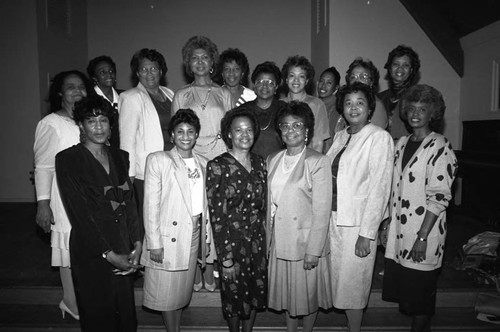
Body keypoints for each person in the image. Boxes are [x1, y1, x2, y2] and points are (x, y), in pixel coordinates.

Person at [56, 95, 141, 331]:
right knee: (98, 315)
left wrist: (137, 242)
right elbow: (79, 213)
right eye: (91, 121)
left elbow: (130, 202)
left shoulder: (120, 156)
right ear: (81, 125)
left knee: (125, 316)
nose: (99, 127)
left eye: (103, 120)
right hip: (91, 249)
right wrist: (109, 254)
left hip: (123, 242)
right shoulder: (68, 159)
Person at [381, 84, 458, 332]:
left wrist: (422, 237)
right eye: (412, 108)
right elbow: (393, 190)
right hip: (400, 234)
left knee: (421, 301)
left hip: (424, 233)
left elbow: (439, 198)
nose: (416, 113)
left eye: (422, 109)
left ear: (432, 113)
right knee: (410, 296)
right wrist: (386, 223)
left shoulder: (440, 146)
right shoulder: (402, 143)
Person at [326, 83, 393, 332]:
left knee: (354, 282)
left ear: (369, 108)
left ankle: (355, 329)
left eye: (360, 102)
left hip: (358, 224)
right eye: (348, 103)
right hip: (333, 218)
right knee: (338, 280)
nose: (354, 107)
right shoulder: (341, 135)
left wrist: (367, 233)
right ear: (342, 109)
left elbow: (380, 188)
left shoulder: (378, 137)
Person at [141, 109, 212, 332]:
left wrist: (206, 238)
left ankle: (176, 326)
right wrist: (154, 243)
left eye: (190, 131)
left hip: (194, 231)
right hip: (168, 236)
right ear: (171, 135)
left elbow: (206, 206)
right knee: (166, 291)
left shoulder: (204, 163)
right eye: (179, 131)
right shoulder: (159, 159)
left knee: (181, 290)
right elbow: (150, 205)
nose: (185, 136)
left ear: (197, 135)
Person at [172, 35, 233, 290]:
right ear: (189, 63)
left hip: (220, 157)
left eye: (204, 57)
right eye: (194, 58)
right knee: (194, 216)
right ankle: (196, 267)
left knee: (218, 216)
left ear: (212, 63)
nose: (199, 62)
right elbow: (176, 132)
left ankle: (212, 268)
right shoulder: (181, 94)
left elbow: (231, 129)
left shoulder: (224, 93)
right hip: (192, 157)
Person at [267, 101, 333, 332]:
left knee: (307, 295)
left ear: (307, 131)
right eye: (285, 125)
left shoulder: (318, 161)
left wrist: (314, 250)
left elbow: (322, 210)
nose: (290, 130)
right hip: (279, 239)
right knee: (288, 295)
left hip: (304, 242)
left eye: (297, 125)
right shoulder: (272, 159)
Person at [34, 70, 92, 320]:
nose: (77, 91)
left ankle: (87, 298)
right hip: (65, 198)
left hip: (91, 196)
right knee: (68, 252)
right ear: (60, 92)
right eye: (70, 87)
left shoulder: (90, 119)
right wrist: (43, 205)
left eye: (81, 86)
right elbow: (44, 167)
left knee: (89, 250)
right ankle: (71, 302)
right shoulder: (50, 124)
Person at [206, 107, 267, 332]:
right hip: (232, 244)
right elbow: (217, 216)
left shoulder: (261, 163)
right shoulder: (217, 166)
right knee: (233, 298)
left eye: (249, 130)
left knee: (253, 295)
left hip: (257, 242)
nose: (244, 134)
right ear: (229, 134)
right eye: (238, 130)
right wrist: (226, 259)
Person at [119, 48, 175, 239]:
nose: (149, 73)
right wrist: (129, 176)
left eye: (154, 69)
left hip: (173, 164)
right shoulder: (131, 97)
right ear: (137, 72)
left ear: (161, 71)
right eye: (144, 69)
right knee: (148, 220)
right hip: (146, 171)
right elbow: (127, 140)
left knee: (169, 216)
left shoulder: (170, 94)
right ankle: (146, 264)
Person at [280, 55, 330, 153]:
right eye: (292, 75)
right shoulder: (279, 104)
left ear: (307, 81)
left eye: (301, 76)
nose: (296, 80)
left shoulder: (317, 105)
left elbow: (318, 143)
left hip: (308, 160)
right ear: (286, 79)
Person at [244, 61, 286, 158]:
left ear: (276, 87)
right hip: (249, 166)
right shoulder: (244, 110)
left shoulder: (284, 110)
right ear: (254, 85)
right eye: (260, 82)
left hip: (278, 165)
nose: (265, 86)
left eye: (270, 83)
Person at [378, 45, 421, 139]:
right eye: (396, 64)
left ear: (411, 70)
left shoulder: (418, 98)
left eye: (405, 65)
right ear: (389, 68)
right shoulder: (378, 98)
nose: (400, 69)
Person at [87, 55, 122, 148]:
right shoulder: (88, 99)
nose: (109, 75)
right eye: (103, 72)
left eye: (111, 71)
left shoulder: (125, 96)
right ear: (94, 77)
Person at [345, 57, 388, 130]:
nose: (357, 80)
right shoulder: (346, 103)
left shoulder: (376, 106)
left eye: (363, 77)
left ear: (372, 82)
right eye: (353, 77)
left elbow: (376, 137)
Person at [317, 66, 343, 153]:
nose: (323, 86)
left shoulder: (337, 108)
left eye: (329, 83)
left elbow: (332, 139)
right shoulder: (315, 104)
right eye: (321, 81)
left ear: (336, 87)